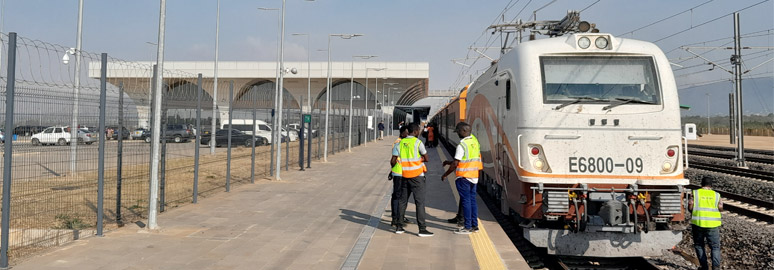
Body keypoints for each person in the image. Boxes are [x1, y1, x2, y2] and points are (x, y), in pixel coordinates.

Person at [391, 123, 433, 237]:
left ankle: (399, 227)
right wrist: (419, 159)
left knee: (402, 201)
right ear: (415, 132)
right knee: (419, 203)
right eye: (418, 130)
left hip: (404, 175)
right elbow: (426, 158)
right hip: (417, 177)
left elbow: (393, 160)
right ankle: (422, 229)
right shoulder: (418, 142)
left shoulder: (399, 144)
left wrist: (393, 170)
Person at [441, 122, 483, 234]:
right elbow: (467, 159)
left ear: (464, 131)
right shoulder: (475, 142)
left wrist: (445, 174)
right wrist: (449, 162)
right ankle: (475, 226)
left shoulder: (462, 145)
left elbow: (456, 164)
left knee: (466, 201)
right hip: (474, 176)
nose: (457, 133)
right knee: (472, 201)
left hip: (464, 177)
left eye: (458, 131)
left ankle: (467, 227)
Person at [689, 176, 723, 270]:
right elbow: (720, 208)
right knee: (715, 247)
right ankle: (716, 267)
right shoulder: (717, 195)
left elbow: (690, 207)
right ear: (711, 186)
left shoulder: (695, 193)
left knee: (699, 245)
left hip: (698, 223)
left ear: (701, 185)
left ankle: (704, 267)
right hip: (713, 225)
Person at [388, 126, 412, 227]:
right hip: (399, 173)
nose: (408, 135)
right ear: (402, 133)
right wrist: (392, 170)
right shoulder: (398, 143)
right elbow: (393, 160)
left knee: (402, 196)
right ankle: (396, 218)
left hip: (404, 172)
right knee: (398, 196)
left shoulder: (404, 142)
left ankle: (400, 216)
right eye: (406, 133)